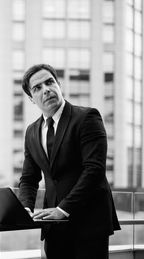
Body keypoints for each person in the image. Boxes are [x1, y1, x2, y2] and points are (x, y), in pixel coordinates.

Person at [18, 64, 121, 259]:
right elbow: (29, 177)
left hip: (89, 223)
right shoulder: (31, 131)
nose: (46, 89)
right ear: (31, 99)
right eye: (37, 88)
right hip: (53, 227)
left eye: (49, 82)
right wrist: (25, 208)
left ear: (59, 84)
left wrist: (62, 209)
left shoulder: (87, 117)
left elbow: (94, 170)